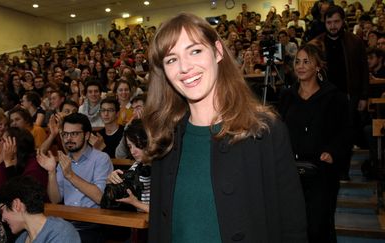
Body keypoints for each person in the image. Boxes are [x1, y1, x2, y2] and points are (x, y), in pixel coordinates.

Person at [143, 13, 307, 242]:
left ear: (218, 51)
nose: (184, 67)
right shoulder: (165, 139)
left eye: (195, 51)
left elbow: (292, 225)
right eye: (171, 59)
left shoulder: (264, 130)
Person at [279, 44, 352, 242]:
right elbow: (278, 130)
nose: (300, 66)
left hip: (321, 172)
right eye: (297, 61)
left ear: (318, 67)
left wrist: (332, 152)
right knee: (293, 226)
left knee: (320, 227)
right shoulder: (286, 96)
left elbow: (345, 132)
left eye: (306, 62)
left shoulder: (334, 97)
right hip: (291, 173)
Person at [36, 113, 113, 243]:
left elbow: (101, 198)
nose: (68, 139)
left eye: (74, 134)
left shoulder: (101, 159)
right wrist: (51, 173)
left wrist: (71, 175)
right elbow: (55, 199)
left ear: (87, 135)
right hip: (65, 222)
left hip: (91, 225)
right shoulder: (64, 162)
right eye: (65, 134)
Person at [314, 5, 370, 180]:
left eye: (336, 21)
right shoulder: (317, 43)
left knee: (346, 136)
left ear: (343, 21)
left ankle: (344, 172)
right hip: (325, 98)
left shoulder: (355, 42)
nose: (333, 26)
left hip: (349, 96)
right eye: (329, 22)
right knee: (327, 135)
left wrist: (363, 96)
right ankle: (329, 172)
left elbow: (363, 70)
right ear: (324, 22)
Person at [0, 176, 81, 243]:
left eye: (1, 210)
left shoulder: (62, 233)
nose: (2, 219)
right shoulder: (21, 239)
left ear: (16, 204)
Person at [0, 127, 48, 196]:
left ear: (15, 146)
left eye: (3, 141)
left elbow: (16, 196)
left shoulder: (34, 166)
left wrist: (9, 164)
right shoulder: (1, 164)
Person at [107, 119, 150, 212]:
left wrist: (136, 203)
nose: (132, 151)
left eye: (137, 145)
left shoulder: (165, 168)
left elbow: (166, 212)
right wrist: (111, 180)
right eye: (130, 146)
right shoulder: (136, 167)